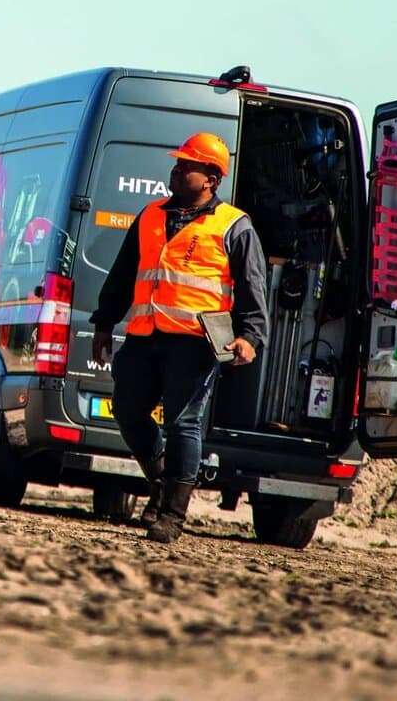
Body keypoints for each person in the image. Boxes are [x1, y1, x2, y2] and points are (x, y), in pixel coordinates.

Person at [88, 132, 267, 543]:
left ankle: (172, 514)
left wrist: (250, 336)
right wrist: (103, 323)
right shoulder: (150, 214)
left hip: (195, 341)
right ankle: (164, 475)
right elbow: (121, 275)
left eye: (188, 165)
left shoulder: (234, 225)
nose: (177, 169)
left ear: (212, 179)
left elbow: (253, 286)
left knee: (183, 422)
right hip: (144, 334)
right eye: (178, 163)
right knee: (128, 412)